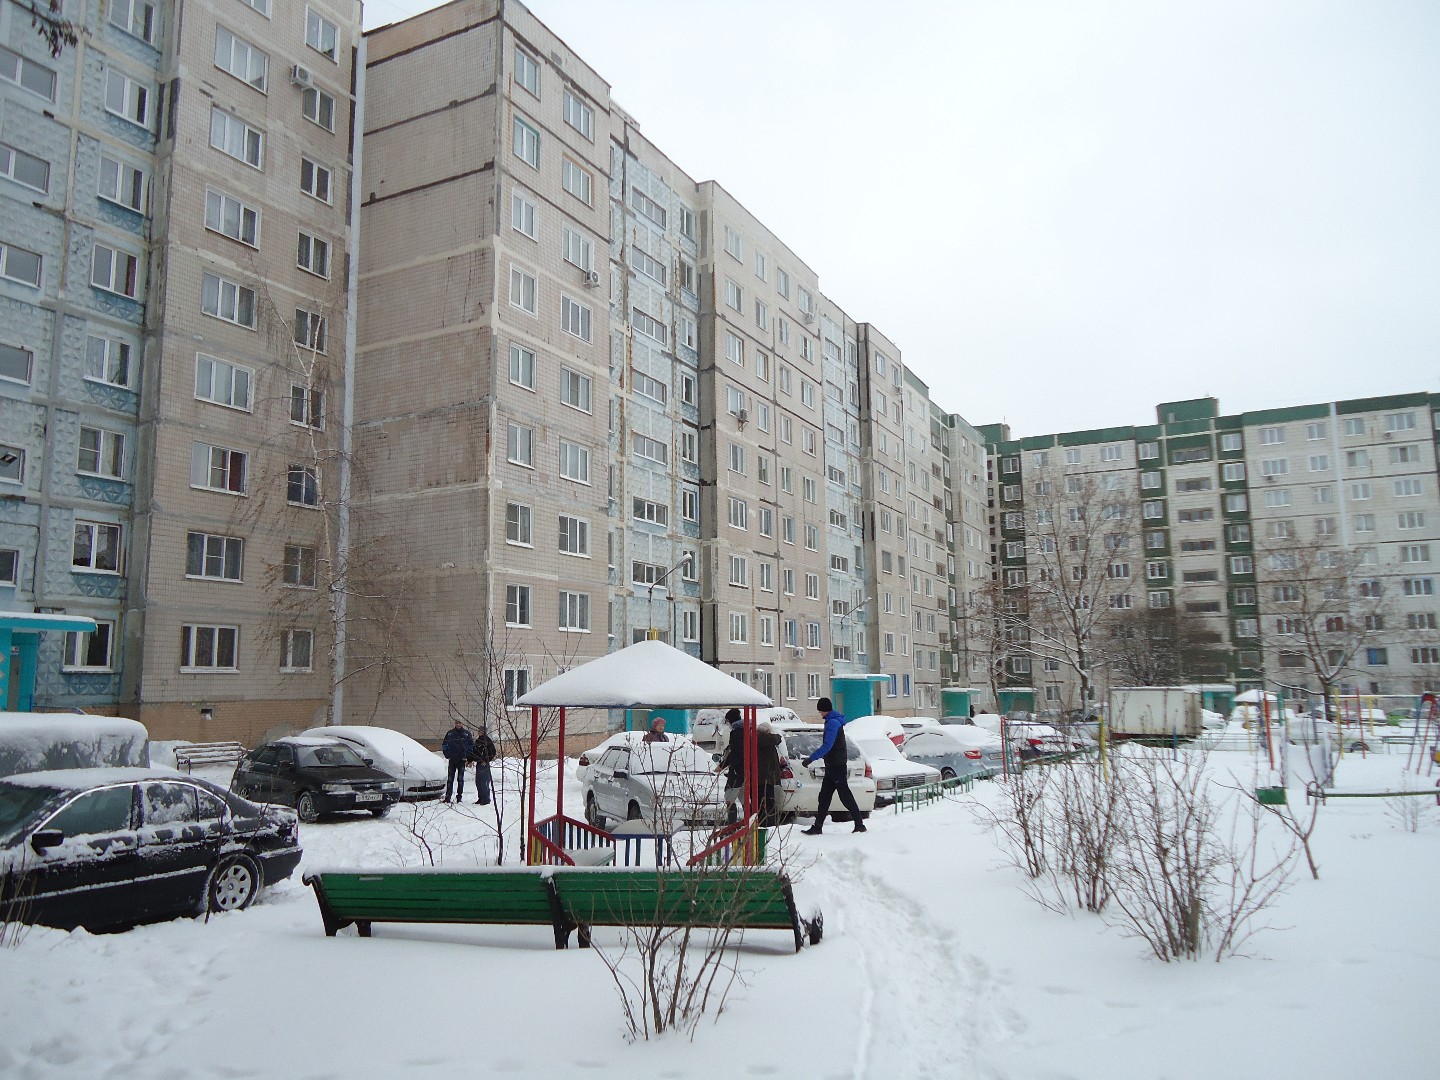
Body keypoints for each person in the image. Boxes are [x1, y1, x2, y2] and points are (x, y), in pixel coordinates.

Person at [801, 697, 866, 834]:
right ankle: (818, 827)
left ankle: (859, 824)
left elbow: (827, 746)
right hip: (833, 765)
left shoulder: (832, 723)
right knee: (824, 797)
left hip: (836, 765)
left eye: (820, 711)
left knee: (845, 796)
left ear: (824, 710)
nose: (820, 714)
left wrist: (811, 758)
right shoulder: (833, 721)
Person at [755, 719, 783, 828]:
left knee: (763, 800)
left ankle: (765, 820)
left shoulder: (758, 738)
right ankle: (769, 822)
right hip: (765, 776)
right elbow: (777, 738)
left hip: (762, 776)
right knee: (768, 800)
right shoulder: (762, 738)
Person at [440, 720, 474, 803]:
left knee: (460, 779)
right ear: (455, 724)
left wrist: (467, 757)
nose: (458, 724)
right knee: (450, 779)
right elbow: (444, 745)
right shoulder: (450, 733)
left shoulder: (466, 734)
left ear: (462, 724)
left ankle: (459, 797)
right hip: (452, 760)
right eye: (457, 723)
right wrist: (448, 755)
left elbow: (471, 746)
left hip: (462, 760)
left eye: (460, 723)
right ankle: (448, 797)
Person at [471, 723, 497, 805]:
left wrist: (486, 760)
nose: (479, 732)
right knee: (478, 782)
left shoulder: (487, 740)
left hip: (484, 764)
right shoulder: (478, 740)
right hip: (479, 763)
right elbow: (475, 752)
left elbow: (492, 752)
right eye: (479, 730)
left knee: (484, 782)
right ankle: (481, 798)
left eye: (481, 730)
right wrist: (470, 760)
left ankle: (486, 799)